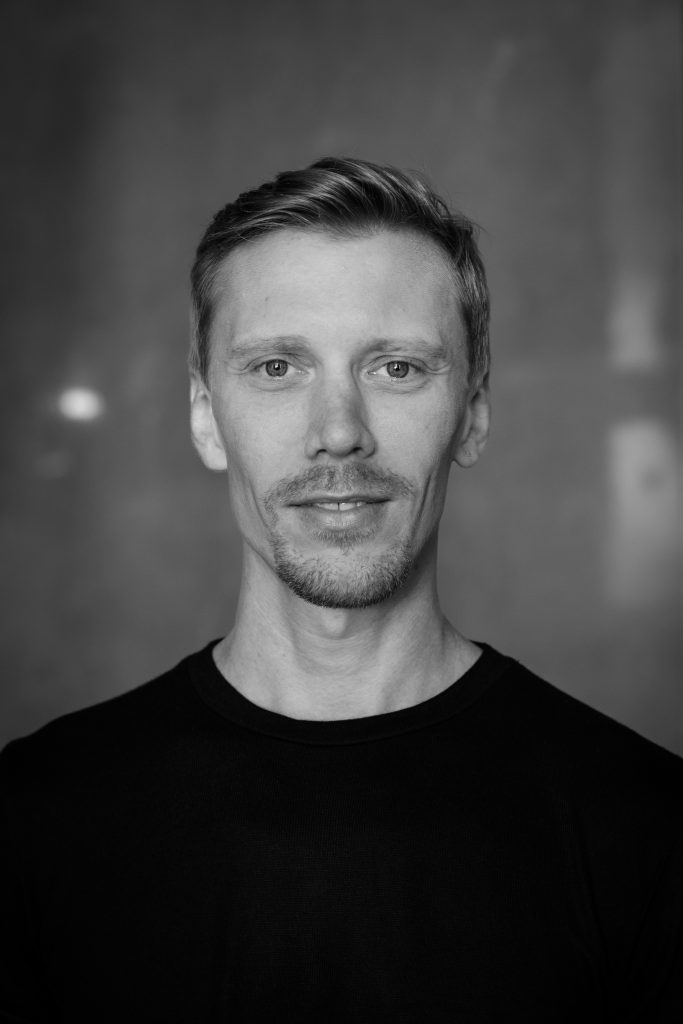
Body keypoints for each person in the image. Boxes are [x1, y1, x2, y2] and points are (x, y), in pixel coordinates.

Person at [1, 158, 681, 1024]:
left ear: (472, 413)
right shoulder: (33, 816)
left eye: (395, 368)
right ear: (206, 416)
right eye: (276, 368)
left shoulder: (647, 827)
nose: (337, 433)